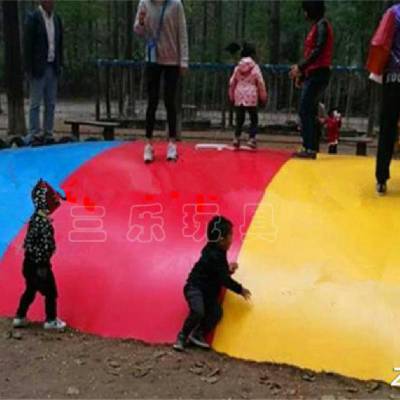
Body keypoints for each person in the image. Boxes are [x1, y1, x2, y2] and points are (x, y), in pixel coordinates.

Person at [173, 216, 251, 352]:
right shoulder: (213, 255)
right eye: (230, 235)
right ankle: (182, 336)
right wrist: (240, 289)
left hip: (207, 292)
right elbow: (223, 279)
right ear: (221, 240)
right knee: (198, 311)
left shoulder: (218, 251)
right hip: (195, 288)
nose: (232, 239)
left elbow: (217, 272)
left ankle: (198, 334)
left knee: (216, 313)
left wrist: (227, 270)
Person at [134, 0, 189, 163]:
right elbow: (138, 30)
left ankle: (172, 143)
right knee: (152, 101)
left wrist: (184, 60)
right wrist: (141, 21)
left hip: (172, 60)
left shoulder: (176, 5)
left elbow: (182, 33)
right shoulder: (144, 3)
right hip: (153, 59)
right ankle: (148, 143)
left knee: (170, 101)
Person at [13, 179, 67, 330]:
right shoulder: (44, 224)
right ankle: (51, 320)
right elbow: (45, 246)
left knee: (30, 290)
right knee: (51, 292)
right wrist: (45, 262)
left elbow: (30, 243)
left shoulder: (34, 219)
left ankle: (19, 317)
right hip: (40, 266)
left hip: (28, 263)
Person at [289, 1, 334, 159]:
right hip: (313, 73)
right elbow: (311, 52)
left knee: (305, 109)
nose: (305, 14)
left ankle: (309, 147)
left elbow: (318, 51)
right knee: (310, 109)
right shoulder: (317, 26)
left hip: (318, 73)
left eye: (306, 11)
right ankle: (311, 146)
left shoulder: (322, 26)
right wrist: (302, 73)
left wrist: (301, 67)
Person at [368, 3, 400, 195]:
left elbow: (380, 42)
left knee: (387, 127)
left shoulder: (393, 13)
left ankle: (381, 178)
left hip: (394, 77)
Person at [24, 0, 63, 146]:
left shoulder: (57, 19)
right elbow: (27, 45)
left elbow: (60, 43)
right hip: (38, 67)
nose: (52, 3)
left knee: (50, 103)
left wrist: (60, 63)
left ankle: (48, 132)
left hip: (53, 65)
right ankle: (34, 133)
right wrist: (28, 68)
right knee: (35, 102)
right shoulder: (33, 18)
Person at [228, 43, 267, 149]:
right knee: (253, 118)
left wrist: (231, 95)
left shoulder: (237, 67)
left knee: (239, 118)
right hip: (251, 95)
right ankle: (251, 138)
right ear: (253, 54)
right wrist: (263, 96)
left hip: (239, 95)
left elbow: (232, 82)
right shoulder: (255, 67)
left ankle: (236, 137)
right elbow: (260, 83)